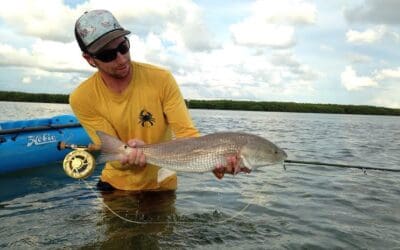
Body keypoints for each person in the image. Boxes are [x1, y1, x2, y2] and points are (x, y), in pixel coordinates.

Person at [70, 9, 240, 191]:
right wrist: (130, 155)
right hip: (115, 185)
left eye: (123, 47)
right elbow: (114, 154)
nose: (121, 59)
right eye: (107, 55)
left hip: (162, 185)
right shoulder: (81, 98)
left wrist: (214, 161)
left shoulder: (162, 79)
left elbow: (188, 135)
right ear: (89, 59)